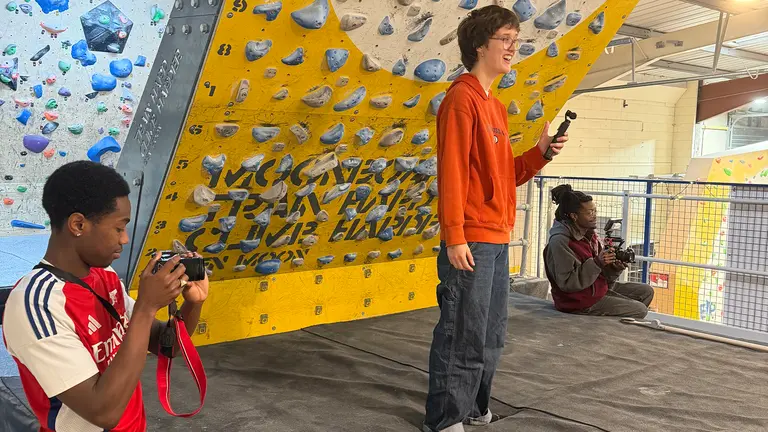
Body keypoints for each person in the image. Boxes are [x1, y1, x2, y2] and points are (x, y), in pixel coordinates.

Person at [425, 5, 568, 432]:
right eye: (505, 39)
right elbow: (451, 170)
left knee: (490, 334)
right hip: (470, 237)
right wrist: (454, 235)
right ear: (479, 45)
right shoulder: (461, 99)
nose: (513, 47)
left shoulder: (496, 107)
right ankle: (446, 418)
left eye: (515, 39)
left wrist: (541, 154)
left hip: (496, 236)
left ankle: (473, 407)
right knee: (461, 331)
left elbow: (504, 174)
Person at [2, 160, 208, 431]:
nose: (124, 239)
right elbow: (104, 412)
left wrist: (193, 304)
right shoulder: (36, 304)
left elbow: (167, 346)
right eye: (118, 228)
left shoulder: (105, 275)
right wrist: (147, 307)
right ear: (78, 224)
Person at [543, 184, 654, 318]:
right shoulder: (560, 242)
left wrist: (613, 269)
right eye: (590, 213)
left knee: (646, 291)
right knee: (639, 310)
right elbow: (567, 283)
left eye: (595, 211)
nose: (595, 216)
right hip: (577, 301)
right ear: (574, 216)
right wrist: (597, 263)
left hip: (596, 289)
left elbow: (600, 273)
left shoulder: (590, 235)